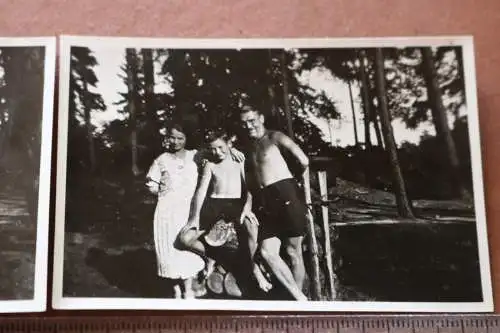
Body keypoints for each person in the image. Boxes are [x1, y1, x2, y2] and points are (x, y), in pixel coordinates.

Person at [179, 128, 272, 292]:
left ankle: (254, 269)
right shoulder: (210, 164)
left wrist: (247, 207)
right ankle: (212, 257)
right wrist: (194, 218)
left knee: (252, 228)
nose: (217, 152)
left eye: (221, 147)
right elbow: (201, 191)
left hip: (236, 204)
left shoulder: (240, 160)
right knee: (185, 238)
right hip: (214, 205)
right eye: (213, 148)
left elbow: (249, 187)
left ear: (229, 143)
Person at [239, 105, 309, 301]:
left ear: (261, 117)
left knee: (292, 252)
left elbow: (303, 160)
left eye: (252, 120)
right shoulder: (249, 147)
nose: (248, 125)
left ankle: (296, 306)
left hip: (285, 192)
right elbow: (251, 182)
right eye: (244, 123)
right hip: (264, 200)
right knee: (267, 252)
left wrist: (290, 181)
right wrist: (247, 204)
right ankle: (300, 300)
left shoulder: (275, 137)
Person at [145, 123, 205, 299]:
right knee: (170, 250)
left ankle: (188, 289)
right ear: (167, 138)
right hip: (167, 211)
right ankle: (176, 290)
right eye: (173, 137)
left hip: (188, 210)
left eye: (181, 138)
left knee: (186, 249)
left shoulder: (195, 155)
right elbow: (151, 185)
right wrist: (159, 188)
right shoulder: (161, 159)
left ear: (186, 139)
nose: (176, 141)